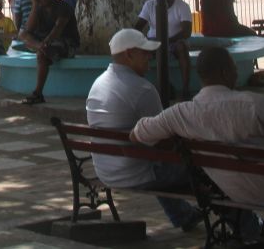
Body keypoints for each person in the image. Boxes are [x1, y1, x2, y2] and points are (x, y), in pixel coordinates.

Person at [131, 46, 264, 247]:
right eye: (234, 68)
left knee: (258, 179)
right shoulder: (254, 103)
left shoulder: (181, 114)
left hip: (236, 190)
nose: (237, 73)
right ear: (225, 72)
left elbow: (136, 135)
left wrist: (175, 138)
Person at [86, 29, 201, 232]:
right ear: (129, 54)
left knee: (155, 157)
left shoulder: (98, 83)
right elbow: (164, 136)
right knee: (208, 168)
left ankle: (183, 215)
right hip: (136, 173)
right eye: (144, 52)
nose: (150, 56)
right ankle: (245, 226)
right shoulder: (142, 89)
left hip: (106, 170)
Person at [17, 0, 79, 104]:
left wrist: (44, 44)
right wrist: (34, 6)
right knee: (23, 35)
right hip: (44, 43)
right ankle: (41, 47)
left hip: (66, 42)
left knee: (42, 55)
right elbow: (27, 30)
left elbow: (57, 30)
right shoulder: (39, 8)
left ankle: (38, 93)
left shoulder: (63, 7)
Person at [137, 0, 194, 98]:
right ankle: (141, 89)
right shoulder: (150, 5)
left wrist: (166, 41)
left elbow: (186, 32)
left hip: (175, 41)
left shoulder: (182, 6)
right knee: (140, 53)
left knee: (182, 48)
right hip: (153, 40)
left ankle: (185, 88)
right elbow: (139, 26)